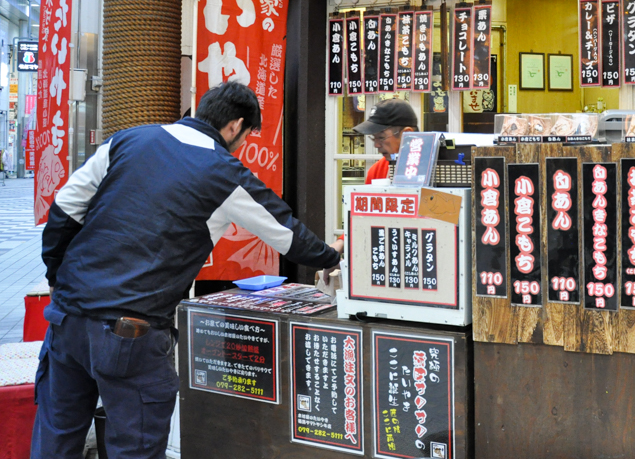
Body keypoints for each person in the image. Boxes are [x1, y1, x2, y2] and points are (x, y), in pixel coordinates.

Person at [32, 81, 343, 459]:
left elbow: (64, 210)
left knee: (56, 436)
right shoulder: (224, 172)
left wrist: (58, 280)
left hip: (67, 318)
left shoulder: (127, 140)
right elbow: (288, 236)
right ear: (235, 126)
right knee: (136, 447)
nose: (242, 143)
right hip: (131, 331)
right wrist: (334, 258)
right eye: (246, 135)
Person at [353, 99, 419, 184]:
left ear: (407, 134)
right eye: (374, 137)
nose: (376, 145)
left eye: (381, 137)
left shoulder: (435, 169)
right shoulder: (377, 170)